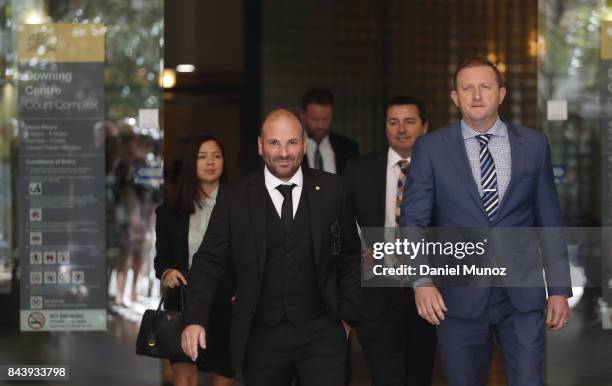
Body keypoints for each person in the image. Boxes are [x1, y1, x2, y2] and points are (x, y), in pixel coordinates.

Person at [400, 58, 572, 386]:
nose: (476, 95)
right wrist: (421, 281)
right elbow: (413, 220)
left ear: (501, 93)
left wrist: (559, 289)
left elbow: (549, 220)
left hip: (521, 297)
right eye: (467, 88)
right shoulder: (431, 148)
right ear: (455, 97)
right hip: (457, 299)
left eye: (485, 87)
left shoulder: (535, 146)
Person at [181, 109, 361, 386]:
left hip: (322, 331)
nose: (284, 152)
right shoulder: (235, 196)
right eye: (274, 143)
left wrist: (346, 318)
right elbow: (208, 261)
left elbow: (351, 257)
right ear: (260, 145)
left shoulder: (334, 189)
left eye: (291, 142)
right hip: (260, 335)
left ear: (303, 145)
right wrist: (194, 317)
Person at [344, 96, 436, 386]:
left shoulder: (441, 171)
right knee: (386, 378)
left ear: (424, 127)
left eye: (409, 121)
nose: (401, 129)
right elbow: (342, 227)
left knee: (418, 376)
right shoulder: (359, 170)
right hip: (377, 294)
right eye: (393, 122)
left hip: (428, 294)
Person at [154, 135, 235, 386]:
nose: (210, 162)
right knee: (184, 376)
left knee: (222, 376)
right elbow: (162, 258)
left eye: (216, 156)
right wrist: (166, 271)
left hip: (227, 302)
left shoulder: (241, 204)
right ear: (191, 163)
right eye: (202, 157)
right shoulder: (171, 210)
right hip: (183, 300)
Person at [301, 88, 359, 174]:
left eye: (325, 119)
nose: (320, 125)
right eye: (315, 119)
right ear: (303, 116)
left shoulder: (349, 148)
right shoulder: (295, 146)